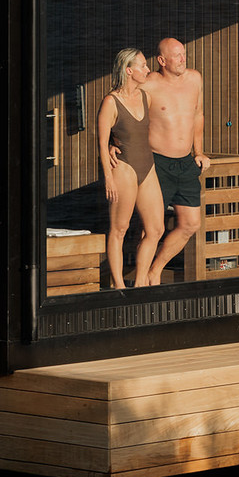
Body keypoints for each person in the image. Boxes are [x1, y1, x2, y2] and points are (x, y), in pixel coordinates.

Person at [140, 36, 209, 286]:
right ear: (161, 61)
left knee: (191, 224)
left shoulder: (195, 79)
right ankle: (139, 280)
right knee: (152, 228)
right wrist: (115, 146)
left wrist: (198, 152)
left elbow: (198, 114)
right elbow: (120, 110)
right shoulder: (148, 84)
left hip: (185, 163)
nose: (183, 59)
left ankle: (154, 271)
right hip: (157, 163)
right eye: (177, 55)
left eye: (184, 54)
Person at [96, 47, 162, 293]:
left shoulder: (147, 96)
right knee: (119, 229)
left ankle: (141, 281)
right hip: (124, 169)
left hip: (148, 166)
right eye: (143, 65)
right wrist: (108, 179)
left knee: (156, 229)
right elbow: (103, 144)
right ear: (128, 70)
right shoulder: (111, 102)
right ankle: (119, 287)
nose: (147, 69)